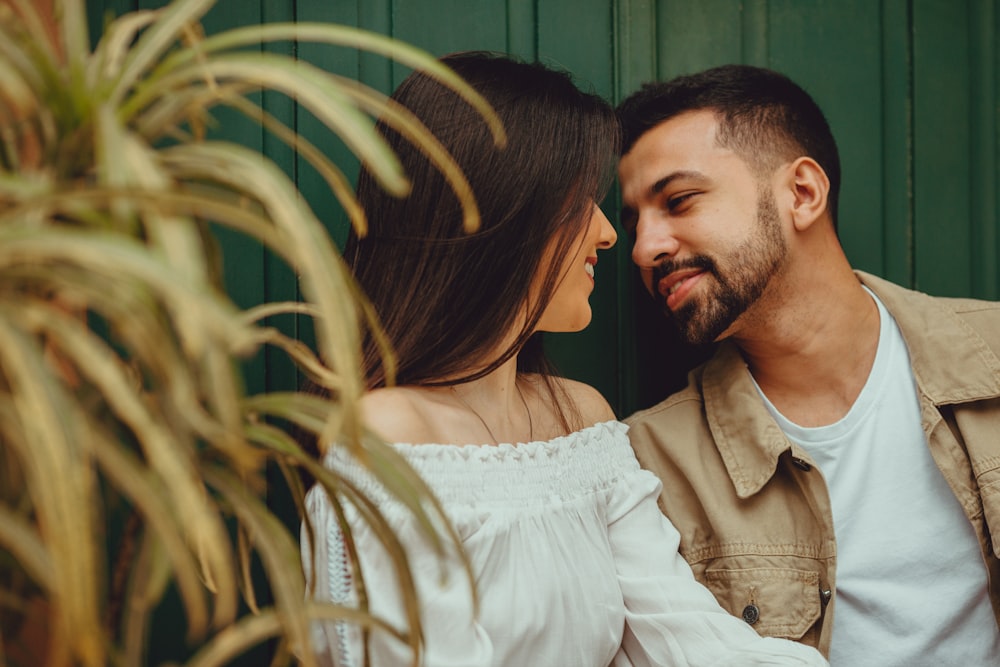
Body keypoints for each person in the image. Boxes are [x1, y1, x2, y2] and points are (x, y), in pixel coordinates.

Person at [301, 52, 828, 667]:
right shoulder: (386, 435)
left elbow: (684, 635)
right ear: (506, 211)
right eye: (582, 202)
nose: (610, 235)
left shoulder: (578, 417)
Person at [617, 63, 1000, 666]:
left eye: (679, 200)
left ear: (802, 193)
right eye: (634, 220)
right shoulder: (652, 460)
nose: (644, 248)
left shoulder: (993, 355)